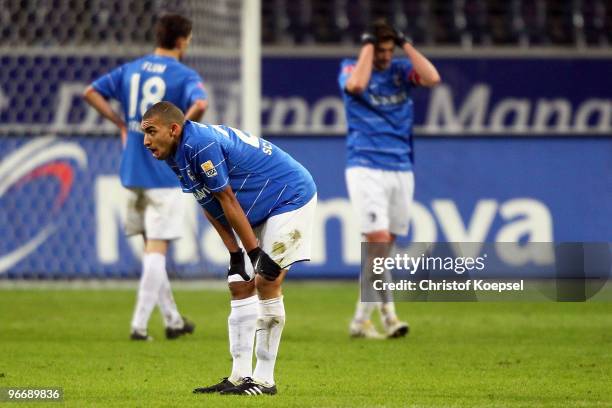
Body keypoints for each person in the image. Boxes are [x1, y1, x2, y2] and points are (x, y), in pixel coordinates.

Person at [141, 101, 317, 396]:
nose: (145, 141)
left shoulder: (199, 144)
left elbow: (227, 198)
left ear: (173, 129)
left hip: (290, 197)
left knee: (265, 280)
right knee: (239, 283)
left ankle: (263, 380)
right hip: (260, 210)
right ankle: (239, 376)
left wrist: (254, 254)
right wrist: (236, 253)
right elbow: (208, 201)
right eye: (143, 133)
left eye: (150, 131)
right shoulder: (175, 153)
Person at [83, 14, 208, 340]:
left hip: (132, 169)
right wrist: (176, 133)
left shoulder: (131, 69)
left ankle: (173, 320)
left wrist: (121, 122)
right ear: (182, 41)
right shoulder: (183, 74)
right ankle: (139, 326)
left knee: (151, 251)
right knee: (156, 250)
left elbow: (91, 92)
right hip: (163, 172)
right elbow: (201, 103)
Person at [338, 20, 441, 339]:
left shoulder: (400, 70)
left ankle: (359, 320)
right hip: (365, 164)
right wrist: (367, 47)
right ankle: (390, 316)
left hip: (401, 166)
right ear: (369, 47)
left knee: (380, 252)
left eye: (387, 50)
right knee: (378, 241)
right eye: (378, 50)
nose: (384, 56)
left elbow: (432, 78)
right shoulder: (351, 67)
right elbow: (356, 87)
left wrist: (406, 44)